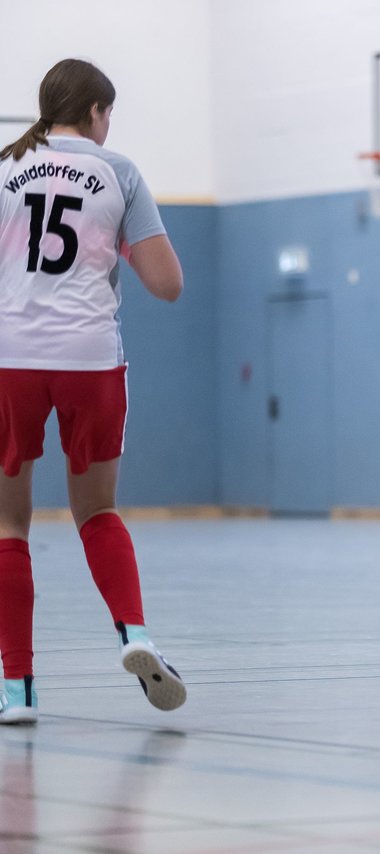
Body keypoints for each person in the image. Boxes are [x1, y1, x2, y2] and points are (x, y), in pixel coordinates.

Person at [0, 59, 188, 725]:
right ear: (98, 112)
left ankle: (16, 689)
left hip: (12, 359)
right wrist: (117, 249)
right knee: (97, 512)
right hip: (90, 359)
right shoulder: (120, 173)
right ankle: (135, 636)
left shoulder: (3, 169)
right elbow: (168, 285)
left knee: (8, 523)